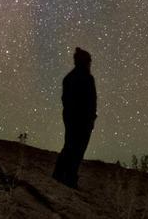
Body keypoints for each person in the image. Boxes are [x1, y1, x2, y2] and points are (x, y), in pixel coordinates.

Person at [52, 47, 97, 189]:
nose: (90, 64)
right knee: (77, 148)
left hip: (72, 118)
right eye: (89, 61)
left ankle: (60, 174)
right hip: (81, 119)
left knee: (70, 145)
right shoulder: (87, 78)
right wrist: (90, 118)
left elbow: (65, 100)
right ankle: (68, 177)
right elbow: (91, 101)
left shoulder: (69, 78)